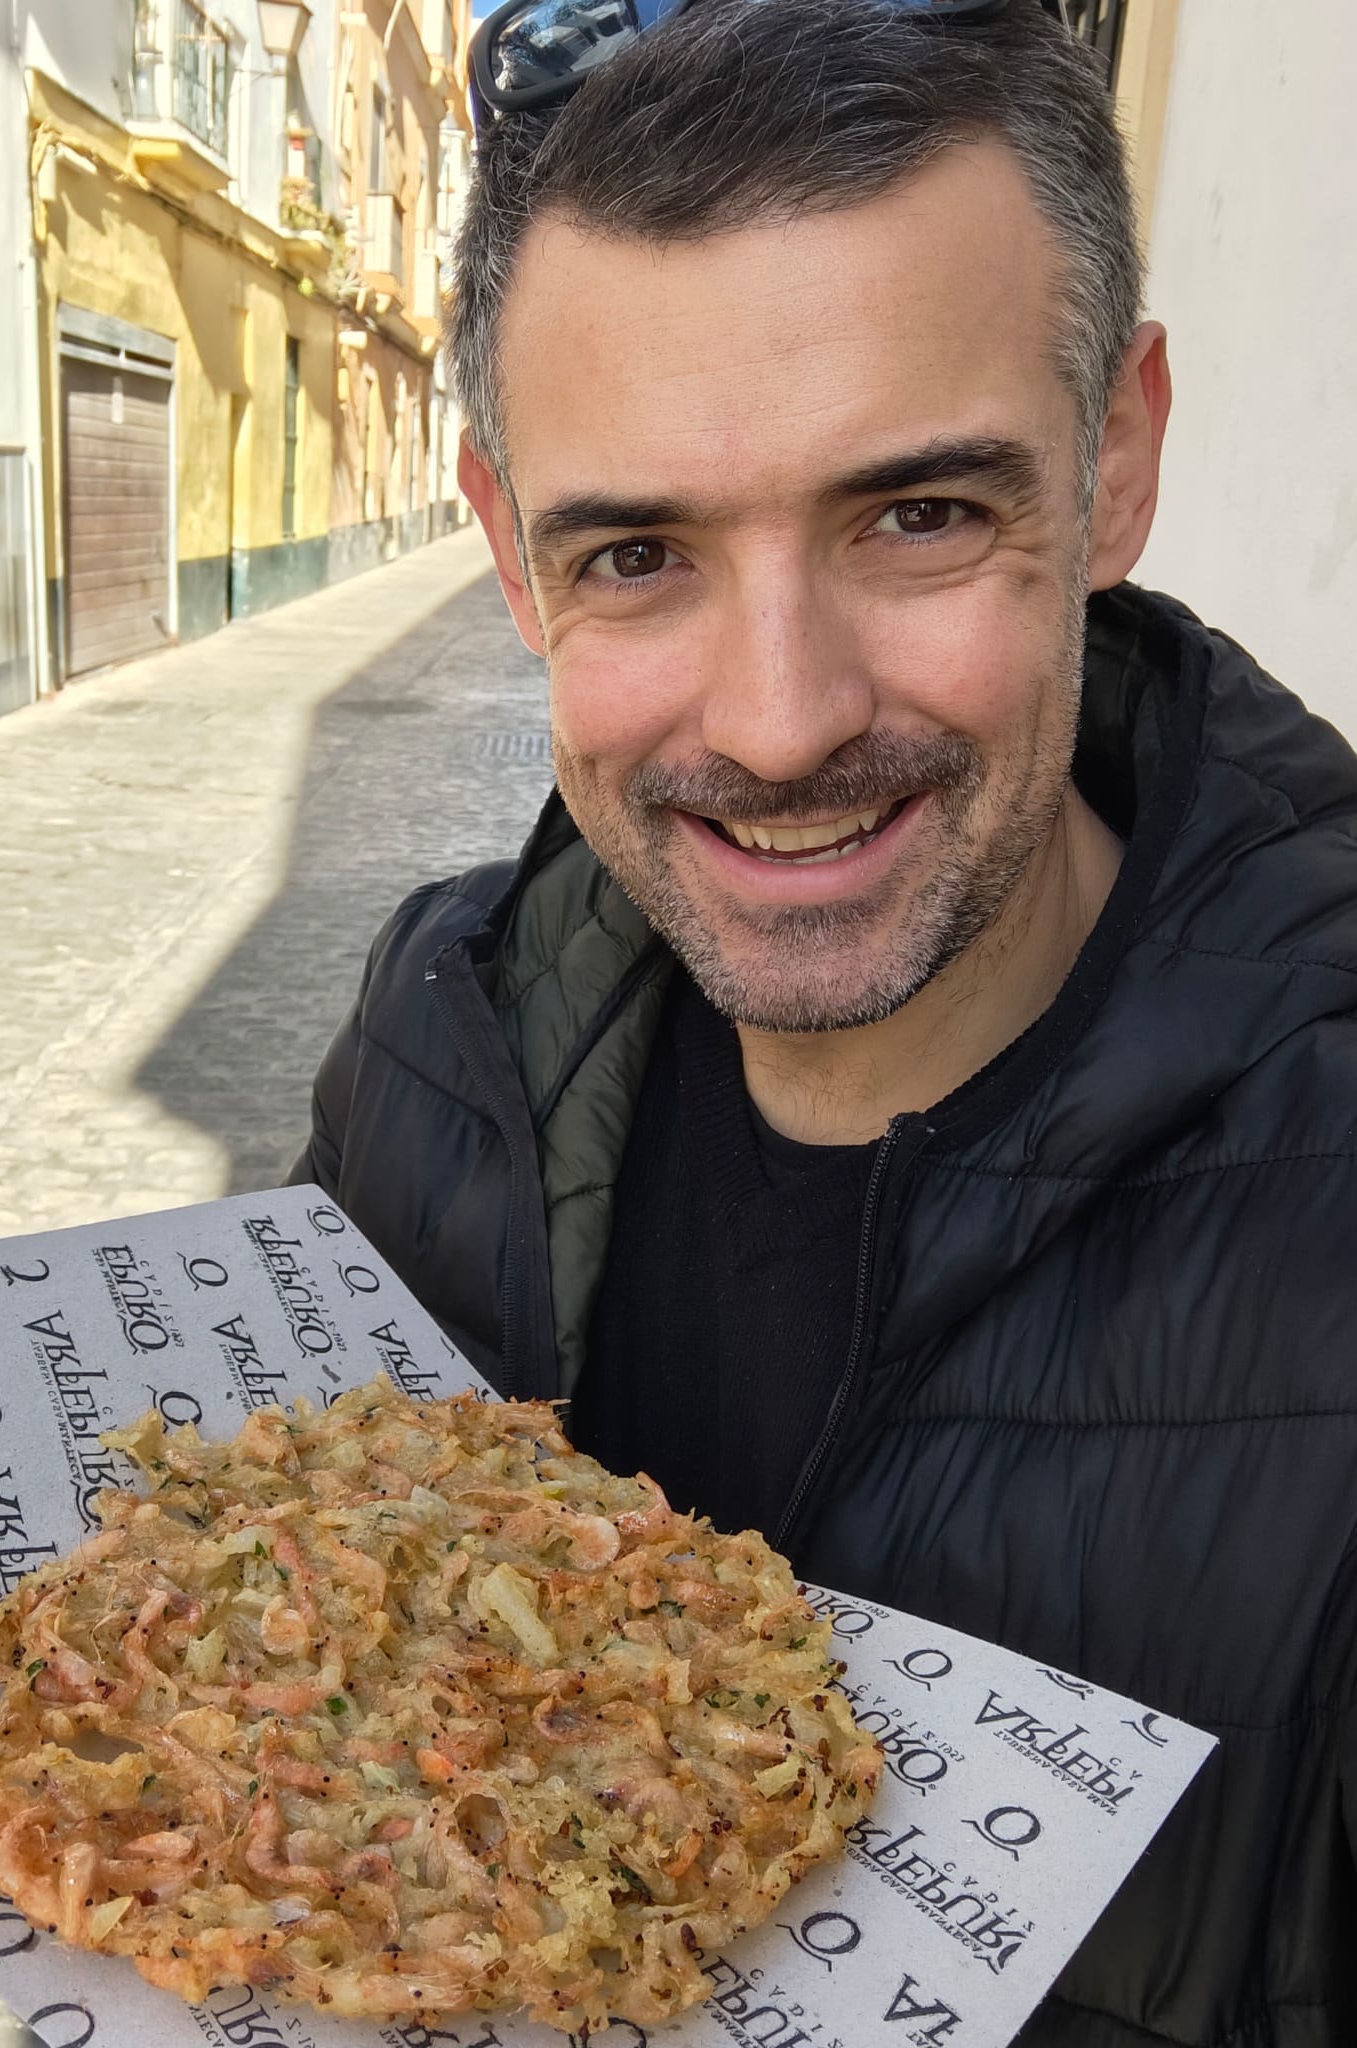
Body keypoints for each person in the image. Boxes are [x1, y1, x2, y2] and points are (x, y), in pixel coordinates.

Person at [289, 1, 1357, 2037]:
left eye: (921, 515)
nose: (780, 721)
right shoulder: (428, 1039)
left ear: (1115, 459)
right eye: (637, 554)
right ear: (515, 562)